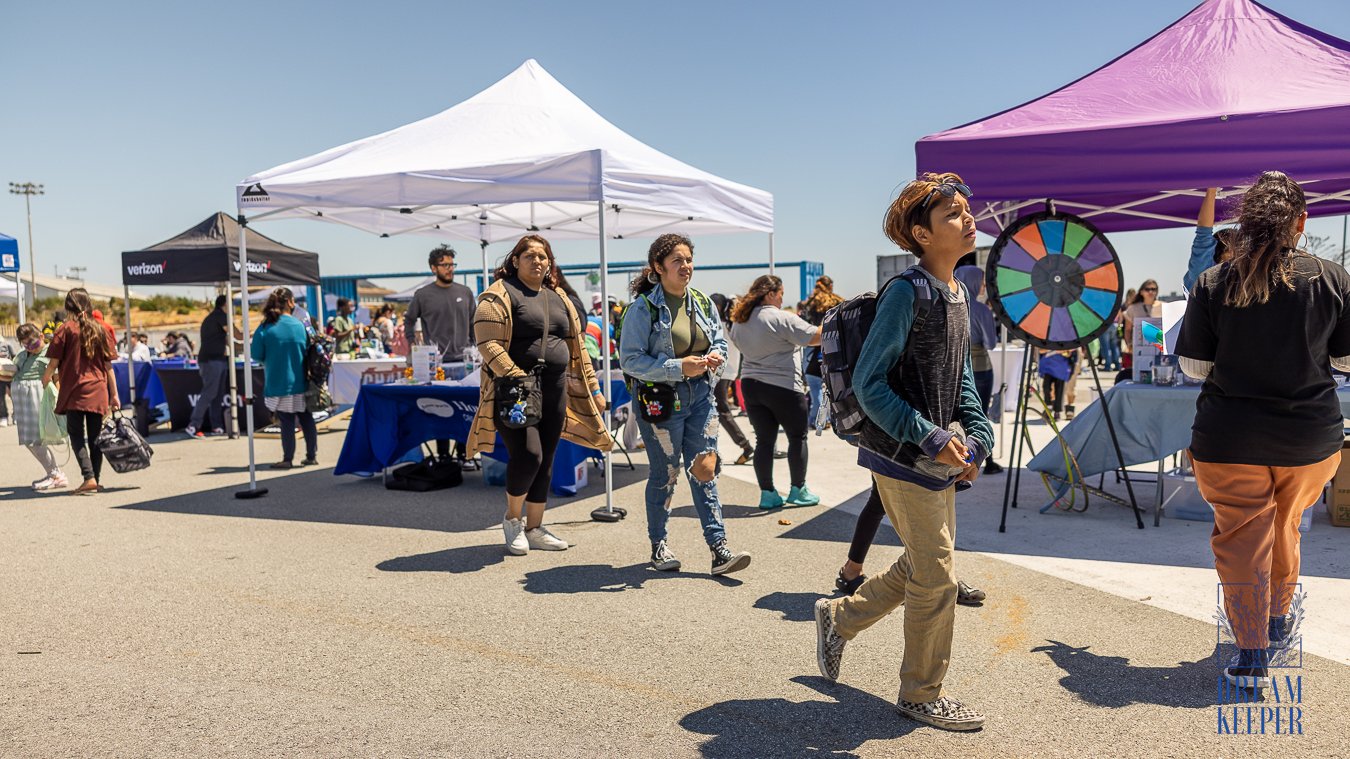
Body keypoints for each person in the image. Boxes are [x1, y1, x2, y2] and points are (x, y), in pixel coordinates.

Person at [813, 173, 994, 731]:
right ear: (921, 234)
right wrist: (935, 438)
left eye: (966, 210)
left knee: (924, 564)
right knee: (937, 578)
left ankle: (839, 617)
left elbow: (960, 374)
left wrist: (977, 432)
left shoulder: (958, 292)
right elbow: (871, 384)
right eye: (952, 215)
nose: (967, 219)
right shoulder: (905, 292)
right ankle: (921, 693)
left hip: (938, 456)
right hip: (901, 455)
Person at [1176, 171, 1350, 690]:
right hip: (1309, 440)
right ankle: (1275, 620)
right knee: (1286, 527)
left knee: (1242, 538)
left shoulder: (1213, 281)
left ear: (1246, 224)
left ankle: (1252, 652)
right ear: (1300, 222)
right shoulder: (1334, 277)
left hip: (1230, 439)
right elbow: (1345, 359)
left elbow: (1194, 368)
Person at [468, 235, 612, 555]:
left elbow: (578, 351)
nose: (538, 261)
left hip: (555, 388)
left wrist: (596, 389)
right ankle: (512, 520)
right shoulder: (498, 295)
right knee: (528, 454)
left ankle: (535, 527)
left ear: (550, 263)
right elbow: (487, 342)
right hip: (515, 390)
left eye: (543, 256)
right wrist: (515, 374)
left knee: (547, 458)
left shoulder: (559, 297)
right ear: (515, 260)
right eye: (530, 256)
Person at [619, 233, 752, 576]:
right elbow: (630, 360)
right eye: (677, 260)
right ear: (658, 268)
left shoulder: (703, 302)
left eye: (689, 259)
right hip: (661, 404)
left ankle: (719, 549)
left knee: (705, 470)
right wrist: (679, 367)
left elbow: (720, 339)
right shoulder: (642, 308)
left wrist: (716, 355)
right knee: (665, 474)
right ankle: (658, 545)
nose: (685, 266)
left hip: (701, 398)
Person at [730, 275, 823, 508]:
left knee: (764, 441)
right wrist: (834, 320)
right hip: (783, 386)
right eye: (781, 293)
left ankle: (768, 494)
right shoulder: (781, 318)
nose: (783, 298)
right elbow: (815, 337)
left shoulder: (740, 320)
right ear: (770, 293)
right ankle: (798, 490)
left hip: (750, 385)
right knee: (797, 437)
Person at [42, 288, 120, 495]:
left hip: (75, 390)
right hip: (98, 389)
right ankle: (96, 478)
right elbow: (109, 366)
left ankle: (89, 477)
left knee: (76, 434)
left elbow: (54, 362)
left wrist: (46, 377)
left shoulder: (65, 329)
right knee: (95, 437)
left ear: (69, 307)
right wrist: (115, 394)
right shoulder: (100, 329)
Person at [406, 244, 476, 460]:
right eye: (444, 265)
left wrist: (476, 347)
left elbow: (475, 322)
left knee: (466, 412)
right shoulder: (423, 294)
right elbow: (409, 320)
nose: (450, 269)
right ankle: (444, 455)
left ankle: (465, 453)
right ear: (433, 268)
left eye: (452, 264)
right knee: (442, 411)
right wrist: (413, 346)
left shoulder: (465, 292)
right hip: (437, 366)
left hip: (465, 363)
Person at [252, 287, 317, 470]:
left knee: (286, 421)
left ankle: (288, 458)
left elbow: (256, 354)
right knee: (306, 418)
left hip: (277, 382)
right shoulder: (300, 326)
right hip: (301, 381)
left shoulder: (265, 327)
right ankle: (311, 456)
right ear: (290, 302)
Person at [954, 265, 1003, 473]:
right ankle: (985, 462)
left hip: (955, 367)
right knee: (979, 415)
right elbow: (991, 343)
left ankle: (958, 459)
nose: (983, 287)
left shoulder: (951, 305)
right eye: (981, 282)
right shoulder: (982, 309)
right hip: (980, 367)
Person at [12, 323, 68, 490]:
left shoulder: (50, 352)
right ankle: (53, 472)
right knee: (30, 439)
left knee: (36, 438)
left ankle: (55, 474)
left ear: (42, 336)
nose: (30, 348)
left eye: (33, 343)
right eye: (26, 345)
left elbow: (57, 379)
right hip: (23, 401)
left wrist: (58, 402)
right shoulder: (22, 355)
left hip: (39, 398)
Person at [186, 294, 239, 438]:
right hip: (211, 361)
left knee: (218, 395)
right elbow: (235, 334)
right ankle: (193, 425)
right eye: (230, 305)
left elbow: (230, 339)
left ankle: (216, 426)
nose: (232, 309)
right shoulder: (220, 316)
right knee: (209, 393)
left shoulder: (214, 317)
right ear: (224, 304)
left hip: (218, 360)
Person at [709, 294, 754, 465]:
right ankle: (710, 449)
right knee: (713, 410)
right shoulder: (733, 323)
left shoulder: (719, 325)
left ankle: (746, 446)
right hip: (729, 371)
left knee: (721, 411)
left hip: (720, 372)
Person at [799, 276, 844, 431]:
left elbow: (803, 326)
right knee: (834, 387)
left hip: (813, 347)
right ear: (830, 286)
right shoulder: (838, 301)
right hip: (834, 348)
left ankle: (818, 420)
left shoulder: (809, 304)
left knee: (815, 386)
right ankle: (833, 418)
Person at [1184, 187, 1236, 294]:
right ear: (1219, 251)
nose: (1237, 254)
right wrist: (1211, 189)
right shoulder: (1204, 271)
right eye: (1231, 249)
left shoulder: (1243, 277)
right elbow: (1203, 233)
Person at [1117, 279, 1159, 383]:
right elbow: (1127, 330)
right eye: (1147, 289)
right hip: (1140, 348)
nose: (1151, 292)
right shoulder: (1133, 308)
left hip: (1159, 348)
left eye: (1153, 289)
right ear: (1141, 291)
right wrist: (1129, 344)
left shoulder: (1164, 306)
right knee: (1141, 377)